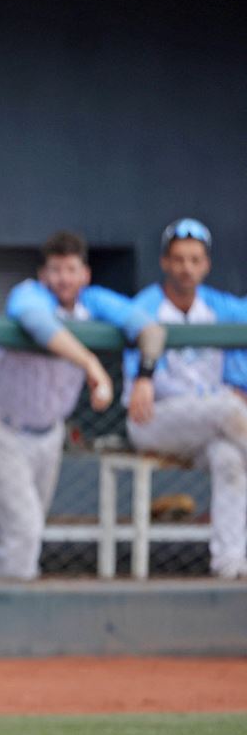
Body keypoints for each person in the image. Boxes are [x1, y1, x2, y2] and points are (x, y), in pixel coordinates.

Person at [0, 232, 166, 580]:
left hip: (50, 434)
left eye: (71, 269)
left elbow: (150, 329)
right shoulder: (28, 294)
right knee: (25, 529)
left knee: (24, 532)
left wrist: (144, 376)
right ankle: (5, 610)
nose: (64, 277)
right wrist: (91, 364)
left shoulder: (93, 301)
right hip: (3, 430)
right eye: (56, 269)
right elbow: (38, 323)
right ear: (43, 274)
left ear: (86, 274)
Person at [124, 220, 247, 578]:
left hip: (211, 425)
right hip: (153, 421)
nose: (187, 267)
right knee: (227, 408)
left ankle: (230, 563)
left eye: (195, 260)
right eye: (178, 259)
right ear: (164, 262)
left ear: (206, 264)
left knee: (230, 460)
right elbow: (145, 387)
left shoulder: (218, 306)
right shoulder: (145, 306)